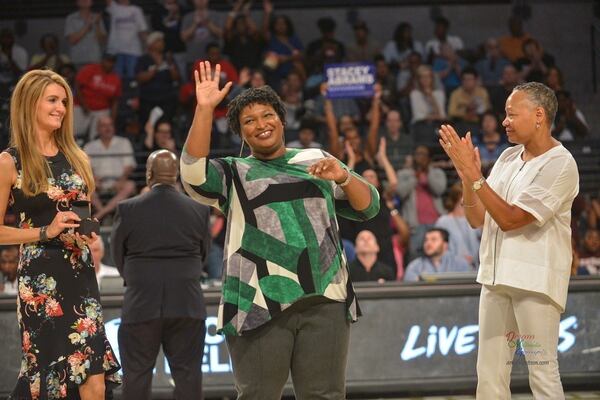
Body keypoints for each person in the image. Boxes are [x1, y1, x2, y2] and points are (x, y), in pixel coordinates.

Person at [180, 61, 380, 399]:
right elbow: (192, 175)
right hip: (257, 301)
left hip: (325, 298)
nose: (261, 125)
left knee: (326, 395)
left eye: (267, 115)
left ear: (282, 119)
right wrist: (203, 110)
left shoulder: (316, 159)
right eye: (249, 121)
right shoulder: (234, 172)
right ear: (240, 133)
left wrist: (343, 176)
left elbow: (369, 205)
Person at [438, 81, 579, 398]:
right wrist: (466, 176)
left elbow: (511, 219)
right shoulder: (507, 158)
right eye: (505, 114)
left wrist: (475, 177)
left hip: (535, 284)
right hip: (495, 278)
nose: (504, 121)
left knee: (542, 373)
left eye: (512, 114)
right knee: (488, 376)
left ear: (539, 115)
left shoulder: (561, 163)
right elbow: (477, 218)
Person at [0, 69, 120, 398]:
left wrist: (89, 235)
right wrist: (44, 230)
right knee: (52, 379)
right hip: (41, 280)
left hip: (80, 274)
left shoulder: (77, 157)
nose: (61, 108)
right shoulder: (10, 161)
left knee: (93, 376)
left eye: (64, 101)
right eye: (52, 100)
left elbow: (84, 213)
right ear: (29, 105)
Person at [111, 149, 210, 399]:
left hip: (141, 303)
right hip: (187, 303)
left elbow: (117, 254)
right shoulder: (199, 210)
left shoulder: (127, 209)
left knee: (136, 377)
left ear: (148, 174)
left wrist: (136, 279)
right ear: (176, 175)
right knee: (188, 377)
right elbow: (204, 254)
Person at [83, 115, 137, 220]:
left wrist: (122, 180)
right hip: (98, 182)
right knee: (86, 186)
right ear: (98, 129)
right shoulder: (89, 146)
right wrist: (93, 178)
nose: (108, 128)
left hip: (119, 182)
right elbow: (87, 168)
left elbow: (129, 166)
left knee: (130, 185)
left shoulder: (124, 142)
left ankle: (100, 214)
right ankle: (105, 213)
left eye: (110, 125)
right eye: (104, 125)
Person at [74, 53, 122, 142]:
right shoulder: (90, 69)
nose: (109, 64)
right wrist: (84, 105)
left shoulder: (115, 78)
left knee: (97, 137)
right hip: (81, 106)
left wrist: (112, 120)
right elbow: (77, 87)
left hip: (101, 110)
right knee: (73, 132)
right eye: (108, 61)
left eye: (112, 62)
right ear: (102, 60)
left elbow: (115, 101)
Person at [435, 182, 480, 267]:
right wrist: (459, 259)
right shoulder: (443, 221)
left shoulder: (476, 220)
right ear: (459, 197)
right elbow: (439, 247)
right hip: (453, 269)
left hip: (475, 269)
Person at [403, 227, 471, 281]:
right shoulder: (415, 266)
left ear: (445, 245)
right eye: (426, 240)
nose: (428, 243)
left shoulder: (460, 263)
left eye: (433, 239)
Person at [105, 0, 148, 80]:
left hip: (133, 50)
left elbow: (142, 30)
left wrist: (148, 46)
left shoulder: (136, 9)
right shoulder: (114, 8)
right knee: (116, 79)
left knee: (133, 78)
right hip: (116, 51)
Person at [64, 0, 107, 69]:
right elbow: (72, 40)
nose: (84, 0)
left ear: (92, 2)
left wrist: (97, 24)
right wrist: (87, 26)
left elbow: (102, 41)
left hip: (95, 59)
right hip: (77, 59)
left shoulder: (97, 17)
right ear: (77, 2)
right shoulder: (71, 18)